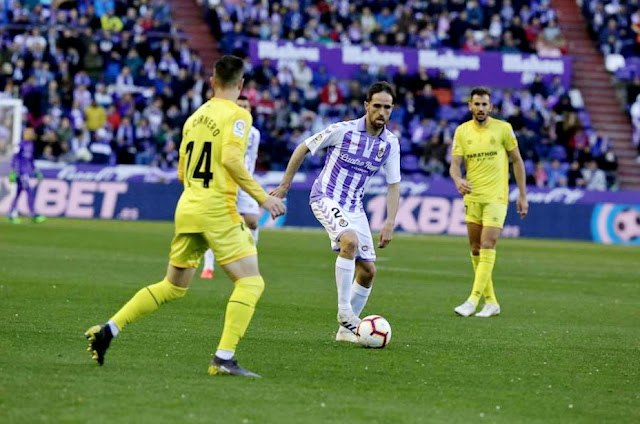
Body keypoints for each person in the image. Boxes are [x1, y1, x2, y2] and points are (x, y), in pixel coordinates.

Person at [84, 56, 286, 378]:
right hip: (217, 208)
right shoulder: (238, 115)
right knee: (250, 282)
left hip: (188, 206)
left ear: (212, 81)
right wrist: (263, 197)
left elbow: (182, 171)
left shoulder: (194, 119)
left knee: (173, 287)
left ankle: (108, 329)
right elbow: (233, 159)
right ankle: (223, 358)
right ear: (242, 85)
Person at [271, 81, 401, 343]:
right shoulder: (342, 131)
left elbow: (394, 183)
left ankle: (344, 332)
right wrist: (284, 186)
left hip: (355, 207)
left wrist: (389, 222)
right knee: (349, 240)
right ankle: (345, 313)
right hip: (325, 197)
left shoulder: (390, 144)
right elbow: (303, 148)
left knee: (368, 272)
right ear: (366, 105)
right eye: (376, 106)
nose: (381, 112)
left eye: (387, 108)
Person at [449, 86, 528, 318]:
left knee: (488, 244)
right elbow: (455, 164)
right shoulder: (462, 132)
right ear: (470, 106)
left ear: (490, 107)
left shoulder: (504, 129)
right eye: (477, 104)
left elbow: (517, 161)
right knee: (475, 249)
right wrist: (457, 179)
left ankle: (472, 300)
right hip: (472, 196)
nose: (481, 108)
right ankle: (491, 302)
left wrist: (522, 195)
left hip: (496, 197)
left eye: (485, 104)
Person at [201, 95, 261, 280]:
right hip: (224, 181)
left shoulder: (254, 133)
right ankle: (208, 266)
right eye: (240, 105)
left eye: (246, 106)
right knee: (215, 223)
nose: (243, 108)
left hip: (244, 183)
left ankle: (248, 262)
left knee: (253, 221)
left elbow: (252, 156)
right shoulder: (225, 128)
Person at [7, 127, 46, 224]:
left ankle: (11, 213)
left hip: (26, 172)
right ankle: (33, 213)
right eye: (31, 133)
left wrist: (36, 171)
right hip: (21, 173)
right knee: (29, 191)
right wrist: (13, 171)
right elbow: (15, 158)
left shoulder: (31, 145)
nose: (33, 134)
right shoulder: (21, 145)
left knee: (18, 193)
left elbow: (31, 160)